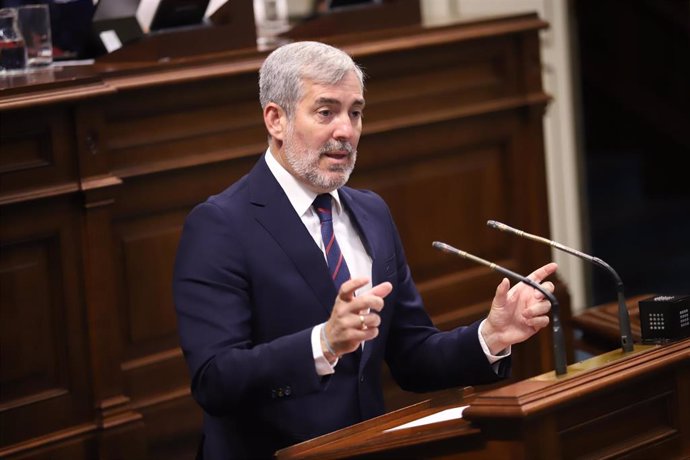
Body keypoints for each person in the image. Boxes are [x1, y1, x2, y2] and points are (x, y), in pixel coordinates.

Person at [173, 41, 558, 460]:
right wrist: (323, 343)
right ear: (276, 120)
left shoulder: (371, 212)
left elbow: (412, 356)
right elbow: (215, 381)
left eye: (355, 112)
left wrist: (490, 335)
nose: (346, 130)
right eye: (326, 112)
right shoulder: (220, 224)